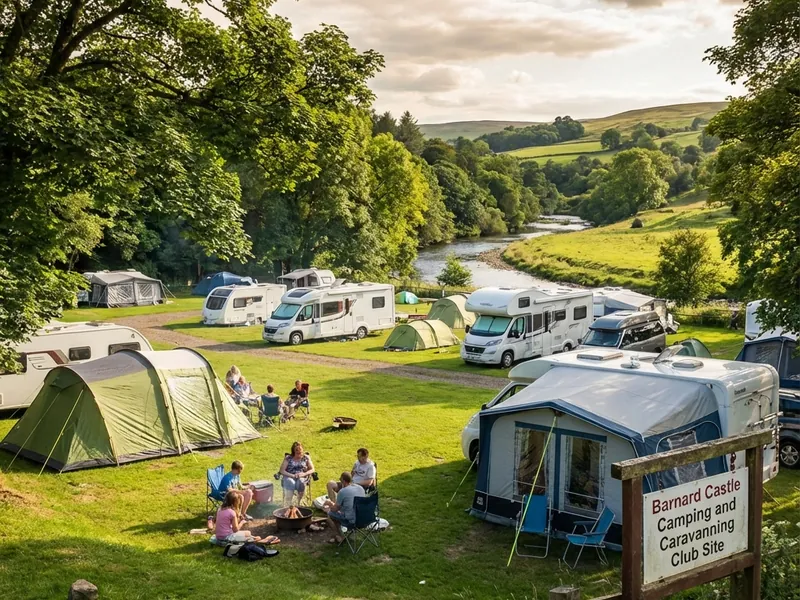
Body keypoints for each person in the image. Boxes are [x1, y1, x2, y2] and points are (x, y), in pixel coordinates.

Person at [323, 472, 365, 544]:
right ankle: (343, 533)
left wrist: (329, 504)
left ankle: (339, 536)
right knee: (342, 512)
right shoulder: (360, 488)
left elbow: (335, 509)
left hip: (351, 521)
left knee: (329, 515)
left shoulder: (343, 491)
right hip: (363, 518)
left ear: (343, 481)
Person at [279, 441, 314, 506]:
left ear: (302, 449)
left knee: (301, 482)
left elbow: (312, 469)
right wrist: (292, 475)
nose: (299, 451)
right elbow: (282, 470)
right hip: (289, 476)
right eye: (296, 450)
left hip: (302, 476)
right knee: (290, 482)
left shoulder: (306, 457)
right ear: (293, 451)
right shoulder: (288, 458)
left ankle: (298, 503)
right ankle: (288, 503)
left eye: (300, 449)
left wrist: (304, 474)